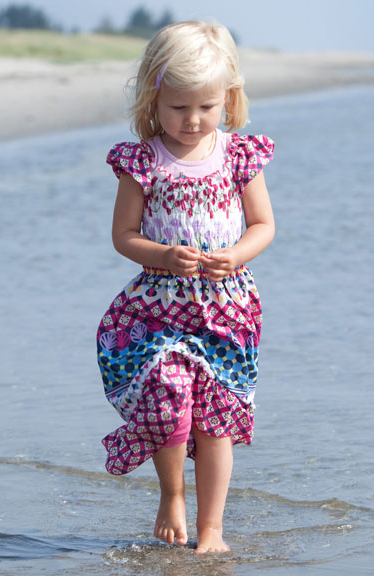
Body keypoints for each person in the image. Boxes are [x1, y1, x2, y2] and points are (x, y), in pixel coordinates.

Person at [96, 20, 275, 554]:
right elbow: (124, 236)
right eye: (179, 108)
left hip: (226, 311)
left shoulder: (240, 156)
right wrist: (163, 256)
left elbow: (263, 225)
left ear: (228, 99)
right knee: (169, 397)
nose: (193, 120)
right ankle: (172, 495)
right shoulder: (143, 162)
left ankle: (212, 529)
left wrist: (235, 255)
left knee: (216, 420)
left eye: (206, 106)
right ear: (154, 99)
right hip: (159, 310)